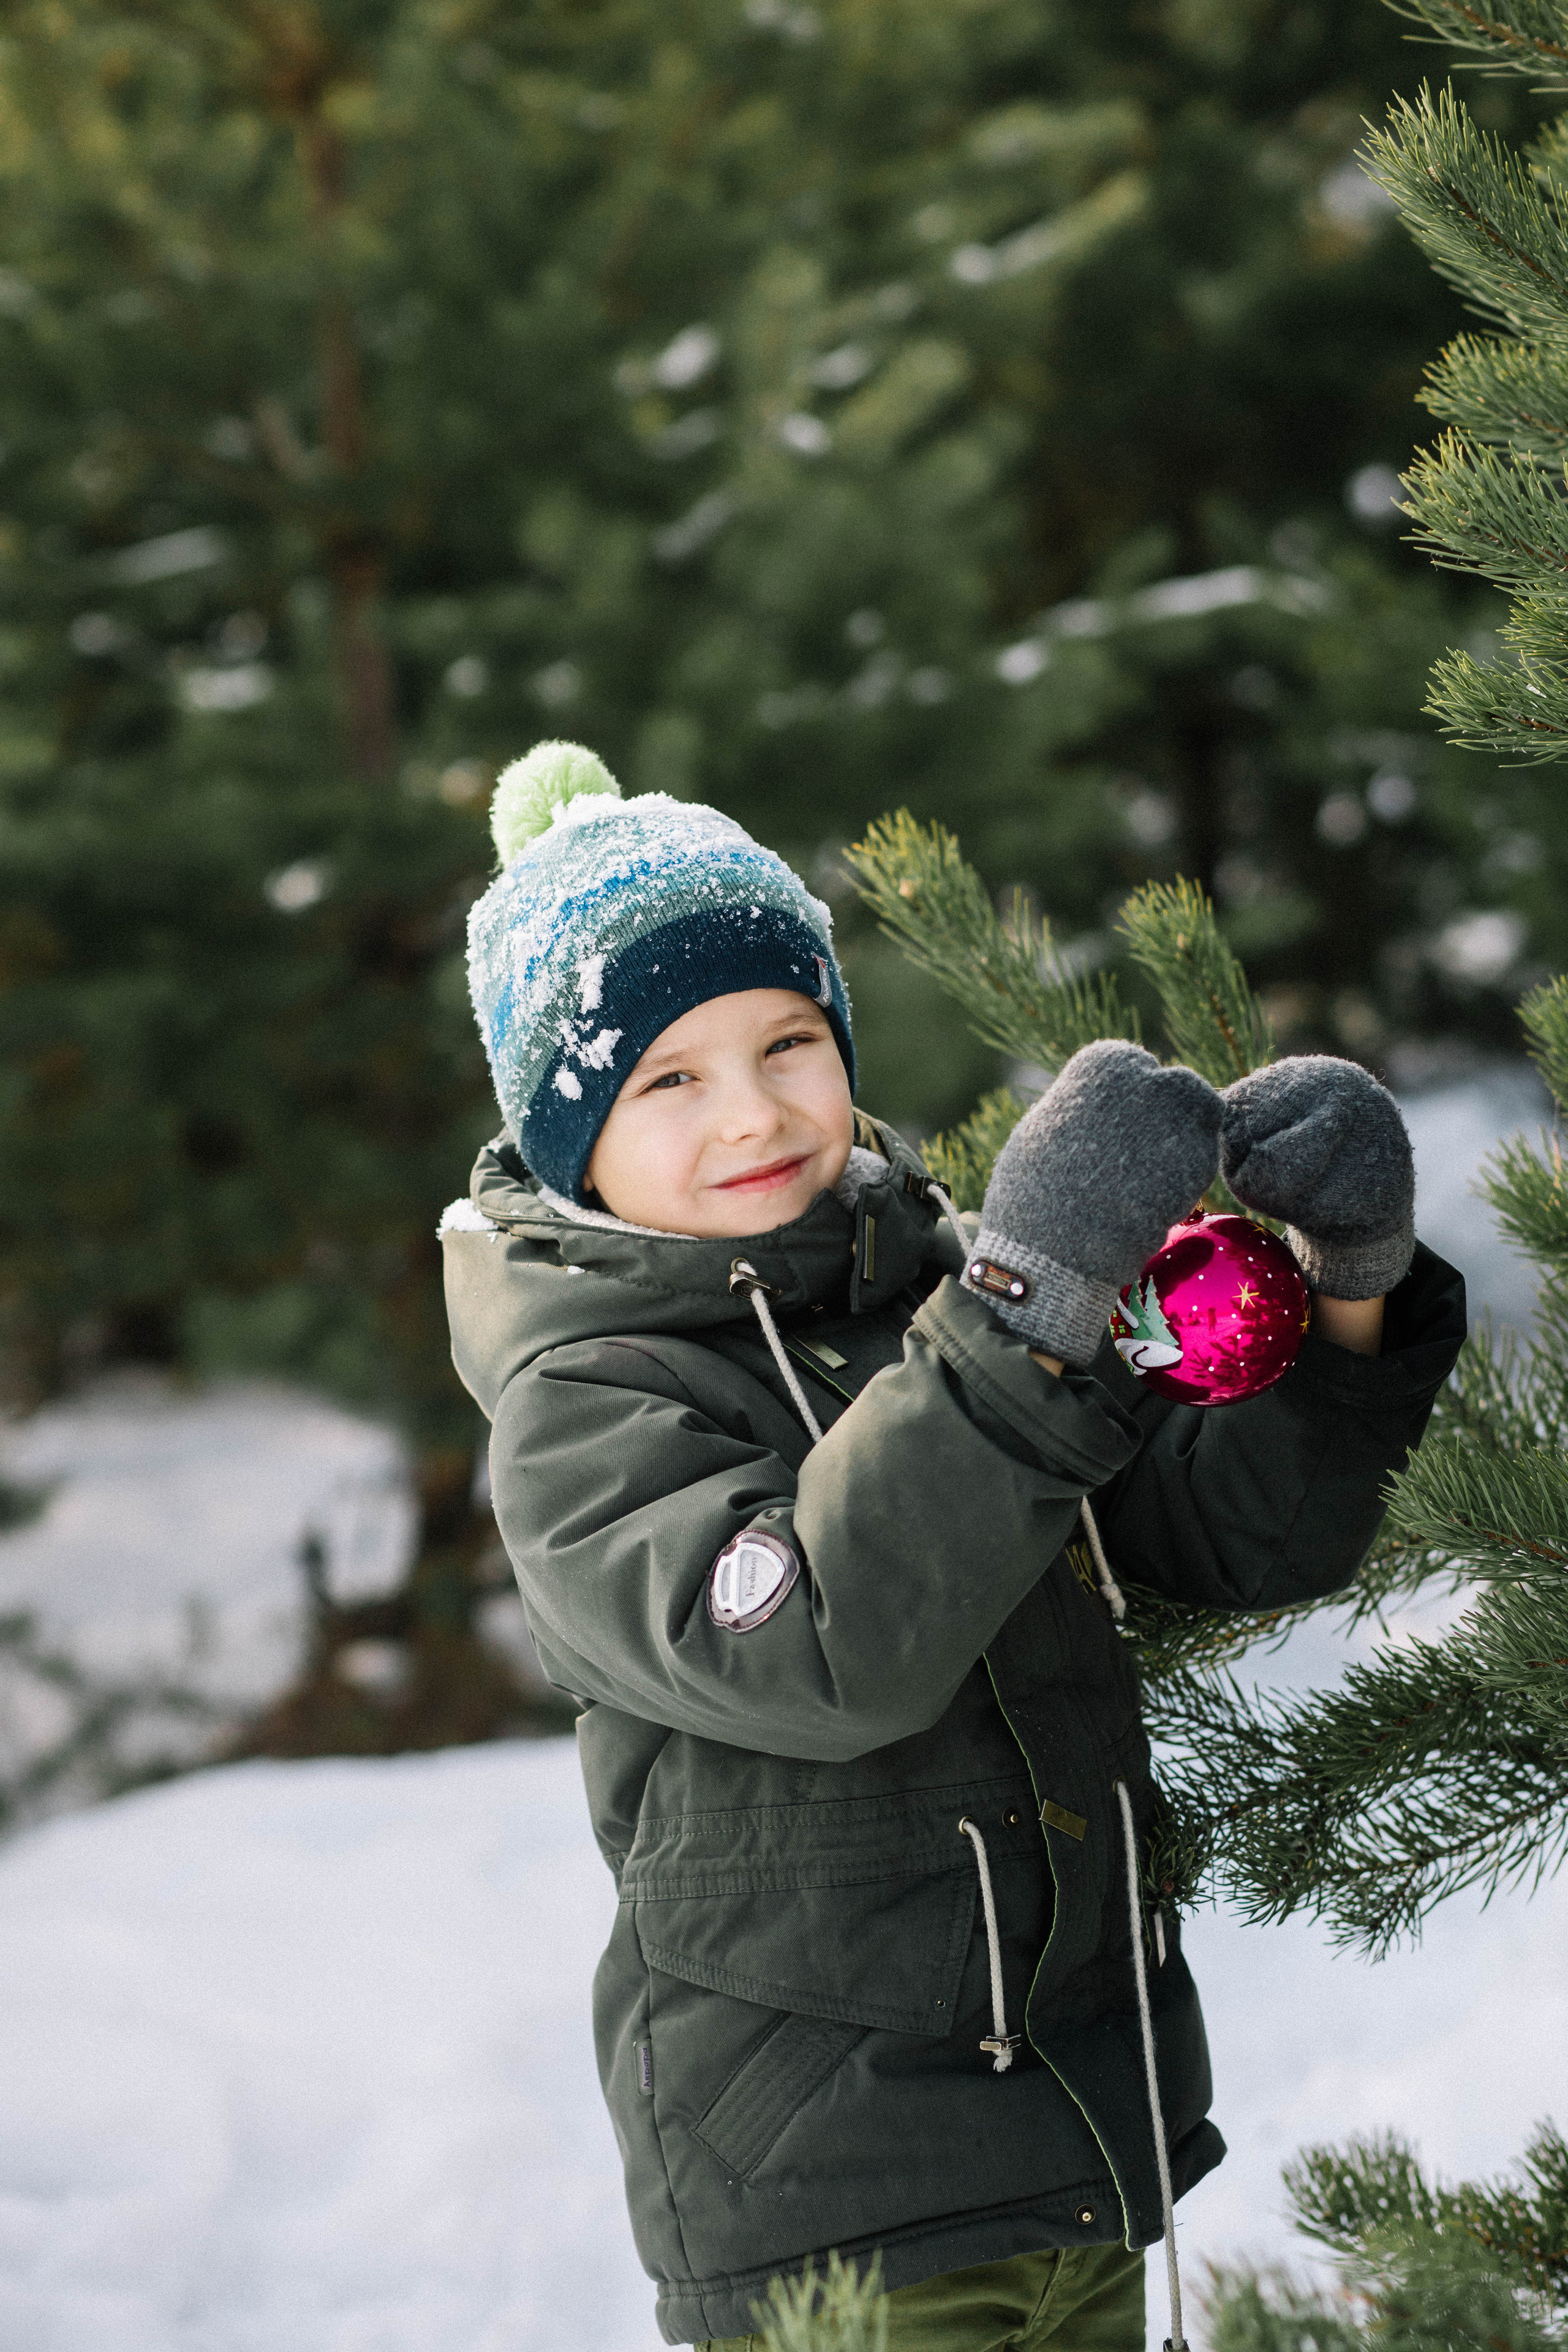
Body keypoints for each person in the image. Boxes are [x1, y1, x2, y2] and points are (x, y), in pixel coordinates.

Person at [441, 741, 1465, 2352]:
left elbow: (1225, 1527)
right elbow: (815, 1646)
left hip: (1076, 2137)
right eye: (669, 1078)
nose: (756, 1111)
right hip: (831, 2204)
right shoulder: (584, 1406)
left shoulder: (930, 1295)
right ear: (573, 1140)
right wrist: (1021, 1310)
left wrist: (1352, 1284)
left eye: (788, 1040)